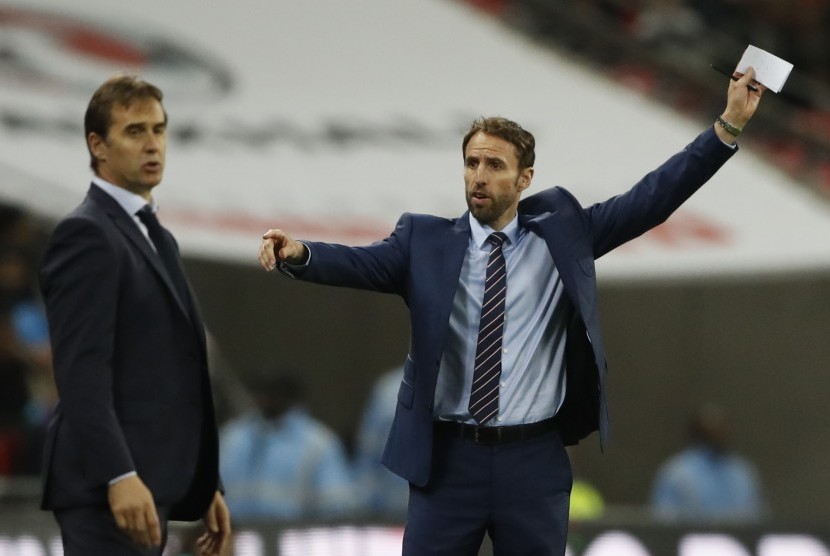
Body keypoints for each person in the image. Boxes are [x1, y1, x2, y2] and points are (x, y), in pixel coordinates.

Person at [258, 69, 764, 555]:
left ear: (524, 178)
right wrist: (300, 254)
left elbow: (651, 198)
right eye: (472, 163)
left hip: (533, 459)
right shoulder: (424, 242)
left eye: (495, 165)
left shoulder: (564, 234)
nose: (479, 176)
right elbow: (359, 263)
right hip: (448, 459)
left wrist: (727, 127)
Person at [38, 74, 230, 555]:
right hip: (108, 489)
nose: (153, 145)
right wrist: (118, 474)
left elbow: (174, 371)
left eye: (160, 130)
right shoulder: (86, 235)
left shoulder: (155, 235)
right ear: (97, 146)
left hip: (153, 483)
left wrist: (207, 482)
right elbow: (81, 372)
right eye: (135, 132)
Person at [220, 369, 357, 522]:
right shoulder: (233, 437)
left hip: (294, 536)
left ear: (291, 397)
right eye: (262, 392)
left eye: (275, 393)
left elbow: (336, 505)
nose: (266, 398)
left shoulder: (318, 443)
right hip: (235, 533)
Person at [650, 402, 765, 522]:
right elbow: (664, 521)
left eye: (720, 428)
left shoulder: (742, 472)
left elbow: (757, 517)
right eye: (710, 429)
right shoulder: (676, 473)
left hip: (737, 539)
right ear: (696, 432)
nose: (716, 434)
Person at [353, 366, 410, 520]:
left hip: (441, 514)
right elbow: (368, 458)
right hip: (389, 512)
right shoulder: (387, 390)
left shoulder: (461, 384)